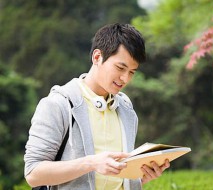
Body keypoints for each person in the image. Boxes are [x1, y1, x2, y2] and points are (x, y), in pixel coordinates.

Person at [24, 23, 170, 190]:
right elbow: (33, 174)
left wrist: (141, 175)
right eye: (120, 67)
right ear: (97, 57)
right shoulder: (57, 104)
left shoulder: (126, 109)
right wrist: (91, 163)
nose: (125, 78)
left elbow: (117, 180)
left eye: (131, 72)